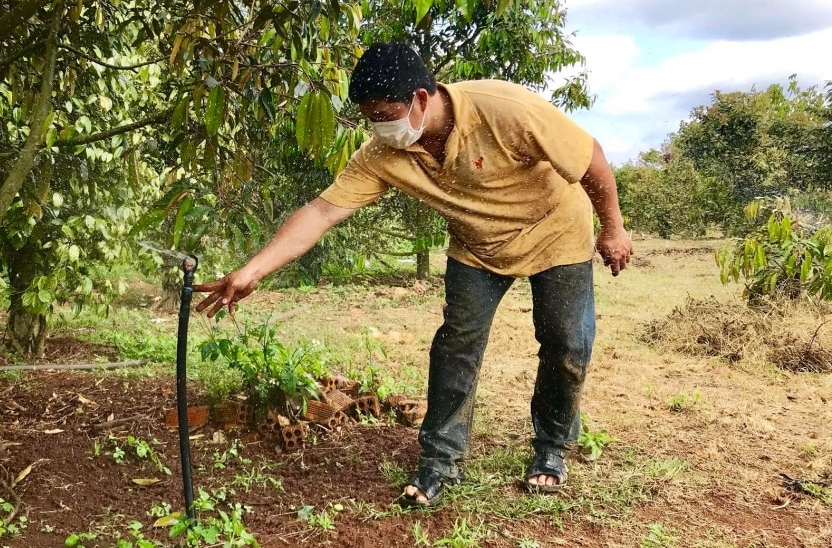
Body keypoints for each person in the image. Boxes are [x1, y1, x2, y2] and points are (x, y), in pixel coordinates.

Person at [194, 41, 633, 507]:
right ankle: (440, 462)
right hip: (478, 247)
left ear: (421, 99)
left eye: (386, 113)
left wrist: (614, 227)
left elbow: (591, 158)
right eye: (370, 117)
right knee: (455, 349)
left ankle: (551, 448)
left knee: (566, 343)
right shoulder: (383, 152)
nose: (380, 126)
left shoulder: (503, 109)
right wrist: (253, 270)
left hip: (555, 233)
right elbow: (322, 212)